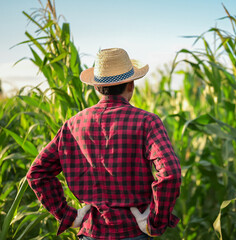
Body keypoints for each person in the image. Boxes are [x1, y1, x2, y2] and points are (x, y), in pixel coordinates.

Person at [26, 48, 182, 239]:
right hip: (134, 231)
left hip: (90, 232)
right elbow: (170, 173)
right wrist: (155, 221)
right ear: (131, 85)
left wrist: (68, 215)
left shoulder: (73, 124)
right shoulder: (147, 121)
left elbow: (37, 173)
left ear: (97, 87)